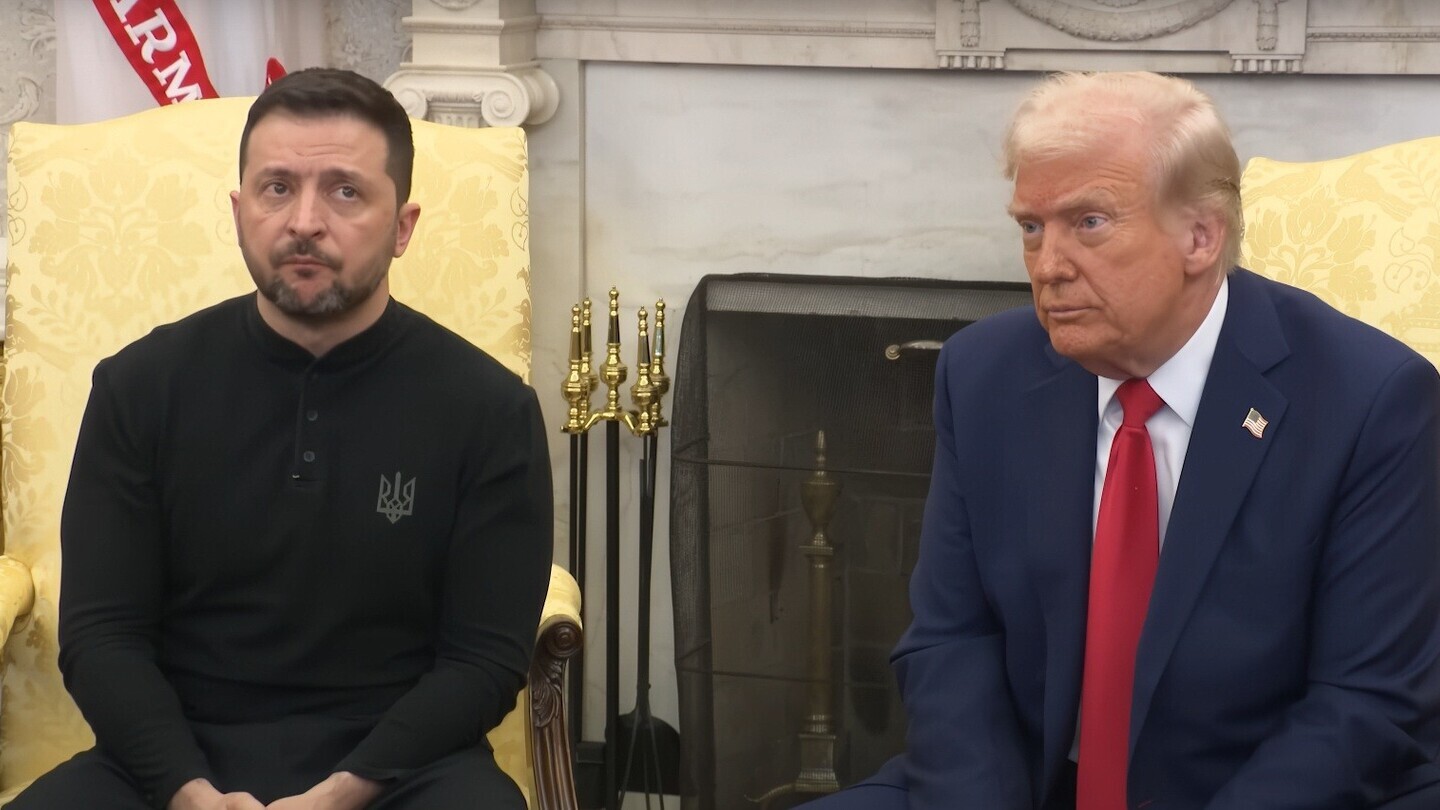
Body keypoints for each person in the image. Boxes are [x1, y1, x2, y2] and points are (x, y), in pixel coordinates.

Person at [805, 71, 1440, 809]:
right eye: (1031, 227)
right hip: (1022, 783)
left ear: (1201, 236)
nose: (1048, 266)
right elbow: (952, 639)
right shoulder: (983, 374)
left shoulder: (1371, 400)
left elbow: (1364, 704)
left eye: (1089, 223)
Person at [10, 68, 553, 809]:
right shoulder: (138, 387)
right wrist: (188, 792)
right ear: (240, 212)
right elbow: (103, 635)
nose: (304, 221)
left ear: (403, 226)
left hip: (401, 769)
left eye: (345, 191)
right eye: (277, 188)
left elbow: (484, 659)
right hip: (170, 761)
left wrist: (343, 793)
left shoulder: (490, 409)